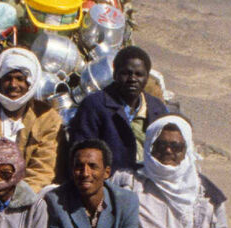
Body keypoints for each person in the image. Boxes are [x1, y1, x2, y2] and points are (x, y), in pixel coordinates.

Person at [64, 46, 170, 174]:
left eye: (139, 74)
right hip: (108, 185)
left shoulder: (157, 108)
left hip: (149, 181)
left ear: (147, 77)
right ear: (115, 74)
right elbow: (82, 155)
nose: (132, 79)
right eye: (126, 73)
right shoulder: (94, 106)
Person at [0, 46, 64, 192]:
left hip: (29, 192)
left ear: (29, 83)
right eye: (7, 79)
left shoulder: (47, 117)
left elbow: (42, 169)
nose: (13, 85)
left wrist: (15, 195)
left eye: (20, 79)